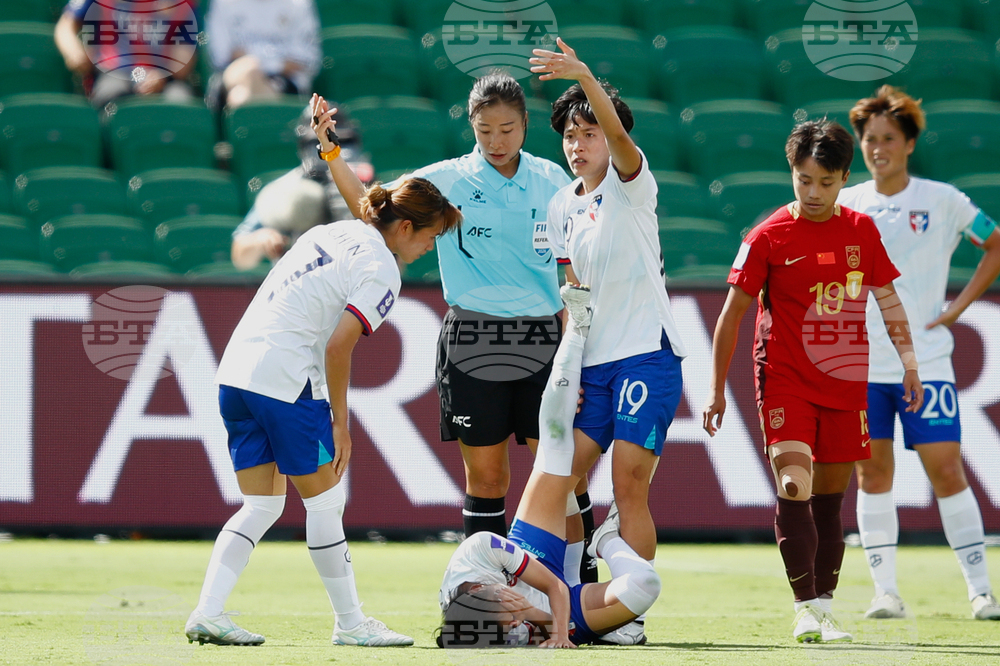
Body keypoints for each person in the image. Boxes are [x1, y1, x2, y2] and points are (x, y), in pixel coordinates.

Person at [311, 72, 591, 558]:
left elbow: (577, 269)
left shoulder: (553, 180)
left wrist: (577, 350)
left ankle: (578, 590)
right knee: (488, 476)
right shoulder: (445, 180)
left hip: (545, 339)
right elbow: (368, 206)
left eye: (506, 129)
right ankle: (485, 592)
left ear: (525, 124)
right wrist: (332, 154)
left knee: (562, 472)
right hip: (473, 338)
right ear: (471, 126)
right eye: (485, 130)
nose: (496, 141)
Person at [184, 177, 462, 647]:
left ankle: (208, 612)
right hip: (287, 381)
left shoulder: (331, 232)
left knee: (262, 505)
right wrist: (340, 422)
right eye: (431, 237)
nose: (430, 248)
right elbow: (338, 347)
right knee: (326, 503)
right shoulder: (383, 269)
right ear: (407, 227)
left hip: (236, 373)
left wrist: (332, 156)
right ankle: (351, 623)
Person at [701, 119, 925, 643]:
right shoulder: (767, 235)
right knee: (794, 484)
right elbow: (731, 315)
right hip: (785, 379)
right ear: (793, 174)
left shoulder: (861, 231)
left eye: (826, 182)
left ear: (845, 177)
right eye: (804, 180)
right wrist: (714, 390)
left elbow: (888, 301)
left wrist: (910, 363)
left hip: (847, 383)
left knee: (830, 500)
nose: (814, 192)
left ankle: (824, 605)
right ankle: (804, 607)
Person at [529, 38, 689, 646]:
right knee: (563, 481)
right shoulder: (557, 206)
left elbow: (621, 142)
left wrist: (585, 74)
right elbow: (572, 295)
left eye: (590, 133)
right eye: (571, 135)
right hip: (591, 365)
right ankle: (569, 599)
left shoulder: (631, 182)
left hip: (646, 354)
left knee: (627, 488)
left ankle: (631, 615)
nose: (579, 145)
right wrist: (566, 374)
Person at [838, 86, 1000, 621]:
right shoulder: (848, 203)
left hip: (925, 364)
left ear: (909, 143)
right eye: (869, 139)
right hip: (862, 367)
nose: (877, 148)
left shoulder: (943, 200)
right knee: (871, 474)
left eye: (888, 138)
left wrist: (956, 310)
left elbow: (994, 242)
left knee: (947, 470)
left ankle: (980, 591)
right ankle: (886, 593)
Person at [437, 287, 661, 648]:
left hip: (535, 557)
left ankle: (576, 328)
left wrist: (556, 631)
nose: (515, 617)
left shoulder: (476, 553)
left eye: (507, 610)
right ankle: (606, 542)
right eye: (511, 623)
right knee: (645, 586)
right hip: (563, 610)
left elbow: (554, 587)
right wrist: (543, 622)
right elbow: (527, 620)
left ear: (481, 587)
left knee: (556, 446)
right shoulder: (491, 632)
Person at [231, 104, 372, 270]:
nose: (331, 146)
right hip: (299, 283)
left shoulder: (370, 187)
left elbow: (397, 257)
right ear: (304, 145)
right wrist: (261, 239)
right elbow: (239, 254)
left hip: (357, 282)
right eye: (319, 141)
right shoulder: (285, 189)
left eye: (342, 142)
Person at [54, 0, 197, 108]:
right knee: (110, 94)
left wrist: (162, 76)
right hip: (113, 71)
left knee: (181, 102)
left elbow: (184, 58)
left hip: (163, 78)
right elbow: (66, 26)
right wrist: (74, 53)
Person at [205, 0, 320, 110]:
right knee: (249, 72)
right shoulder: (224, 3)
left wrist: (253, 60)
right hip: (234, 77)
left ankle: (239, 124)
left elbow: (306, 60)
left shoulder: (298, 4)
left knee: (241, 93)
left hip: (283, 82)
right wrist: (276, 62)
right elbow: (220, 56)